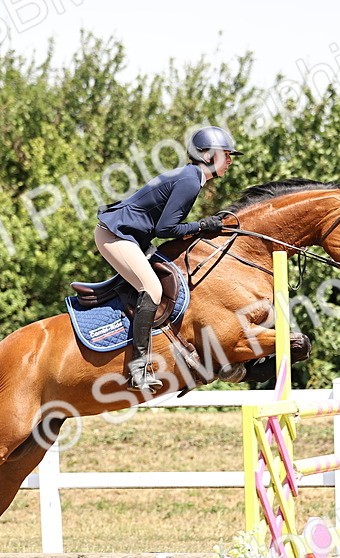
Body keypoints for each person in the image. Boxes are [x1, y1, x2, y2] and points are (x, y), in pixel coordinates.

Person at [95, 125, 241, 390]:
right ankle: (137, 370)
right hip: (115, 235)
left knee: (175, 275)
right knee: (151, 287)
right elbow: (165, 229)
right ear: (207, 155)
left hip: (133, 238)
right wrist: (201, 225)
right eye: (226, 154)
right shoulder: (189, 180)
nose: (230, 160)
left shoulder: (192, 177)